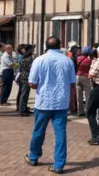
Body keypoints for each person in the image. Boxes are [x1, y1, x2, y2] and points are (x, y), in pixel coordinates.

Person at [24, 37, 77, 174]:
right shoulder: (68, 61)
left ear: (45, 46)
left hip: (43, 102)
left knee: (38, 131)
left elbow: (33, 83)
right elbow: (72, 83)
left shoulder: (39, 60)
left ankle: (33, 156)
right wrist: (72, 102)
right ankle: (59, 164)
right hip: (61, 102)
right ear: (60, 45)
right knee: (60, 134)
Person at [76, 46, 94, 117]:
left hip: (77, 76)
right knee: (88, 94)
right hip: (85, 77)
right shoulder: (88, 60)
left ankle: (80, 111)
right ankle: (87, 111)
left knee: (78, 95)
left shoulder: (77, 58)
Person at [18, 45, 35, 117]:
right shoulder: (28, 58)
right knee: (24, 94)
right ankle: (22, 110)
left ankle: (24, 108)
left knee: (25, 93)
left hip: (24, 76)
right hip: (26, 77)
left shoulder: (24, 57)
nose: (33, 51)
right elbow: (31, 68)